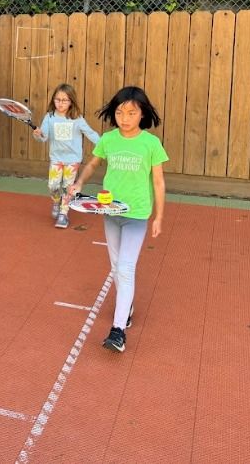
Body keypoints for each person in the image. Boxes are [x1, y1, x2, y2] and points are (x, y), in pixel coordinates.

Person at [69, 86, 167, 353]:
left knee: (125, 268)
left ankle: (118, 330)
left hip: (136, 215)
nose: (124, 117)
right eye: (120, 112)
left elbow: (158, 182)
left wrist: (159, 216)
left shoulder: (151, 144)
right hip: (110, 212)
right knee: (116, 267)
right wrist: (79, 183)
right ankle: (128, 305)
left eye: (131, 112)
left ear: (142, 114)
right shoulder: (109, 139)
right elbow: (92, 164)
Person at [32, 84, 100, 228]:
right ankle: (56, 201)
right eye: (57, 99)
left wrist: (104, 144)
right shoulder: (49, 117)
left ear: (71, 102)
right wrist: (38, 135)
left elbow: (90, 133)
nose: (60, 103)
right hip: (56, 159)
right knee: (52, 185)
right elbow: (43, 137)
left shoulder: (77, 118)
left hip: (72, 160)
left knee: (69, 187)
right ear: (53, 100)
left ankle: (63, 213)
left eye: (64, 100)